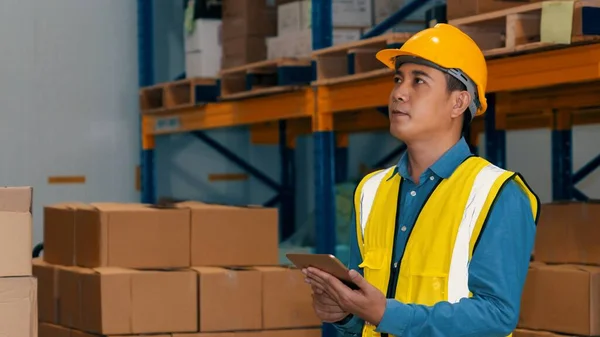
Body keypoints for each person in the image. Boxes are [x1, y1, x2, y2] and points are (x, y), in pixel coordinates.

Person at [303, 23, 540, 337]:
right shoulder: (371, 191)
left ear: (458, 102)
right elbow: (366, 313)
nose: (399, 93)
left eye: (419, 81)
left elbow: (496, 316)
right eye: (399, 79)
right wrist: (345, 313)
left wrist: (387, 313)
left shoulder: (497, 194)